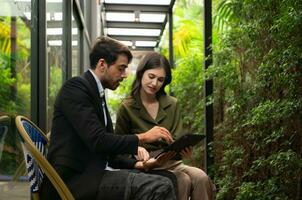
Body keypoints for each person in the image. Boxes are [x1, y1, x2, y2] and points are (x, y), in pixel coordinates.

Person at [40, 36, 178, 200]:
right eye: (121, 68)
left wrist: (137, 164)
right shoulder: (76, 88)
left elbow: (107, 150)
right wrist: (144, 137)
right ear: (102, 64)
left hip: (94, 173)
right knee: (161, 186)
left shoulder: (96, 93)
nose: (125, 74)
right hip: (74, 181)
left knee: (169, 178)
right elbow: (98, 141)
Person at [115, 52, 215, 200]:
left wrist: (183, 150)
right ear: (141, 73)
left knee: (201, 177)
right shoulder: (127, 107)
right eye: (151, 77)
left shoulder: (172, 104)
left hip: (171, 162)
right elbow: (119, 147)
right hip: (145, 165)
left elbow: (176, 139)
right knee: (182, 180)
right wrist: (138, 149)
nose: (155, 83)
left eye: (160, 80)